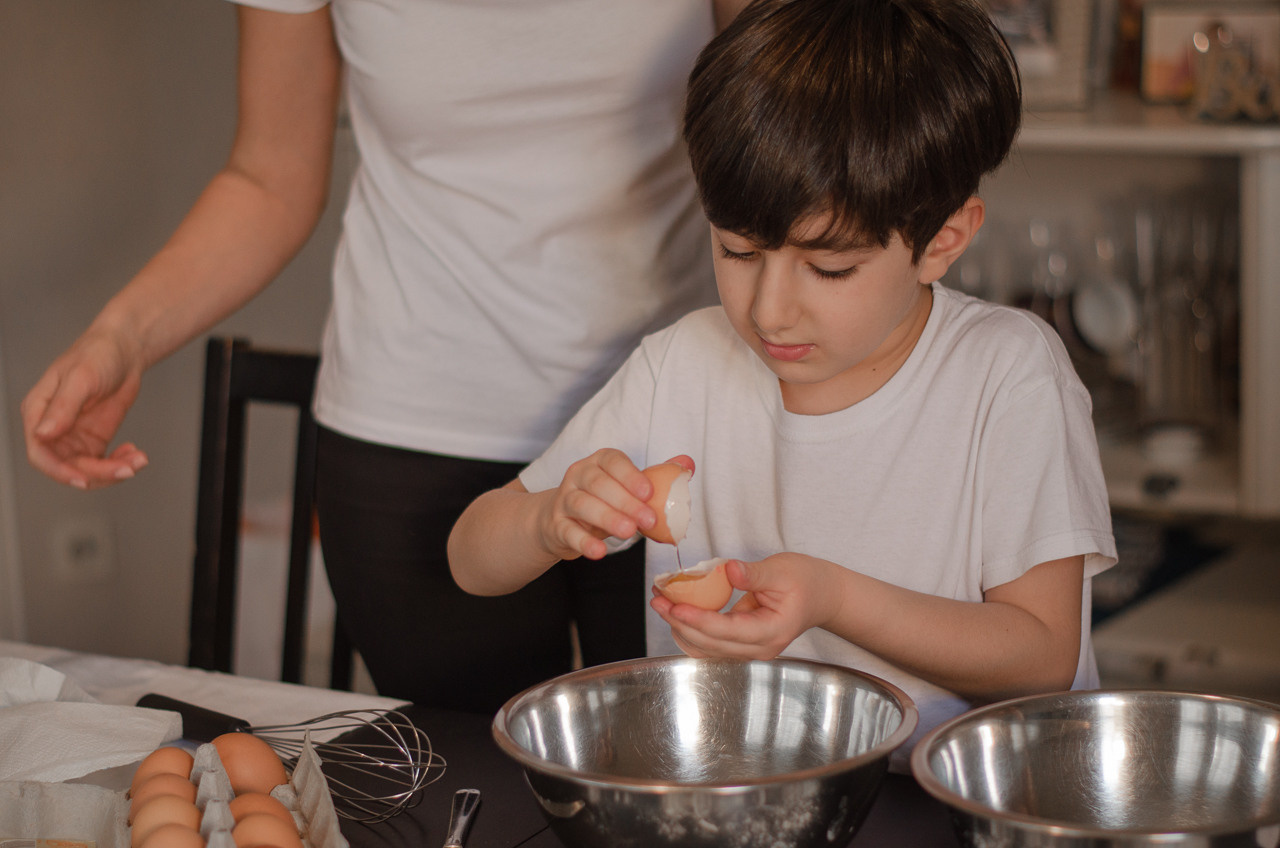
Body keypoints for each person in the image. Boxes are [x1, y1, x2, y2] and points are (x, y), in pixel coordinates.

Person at [21, 1, 748, 712]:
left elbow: (793, 113)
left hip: (672, 423)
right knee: (470, 797)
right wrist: (123, 336)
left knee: (691, 778)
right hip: (412, 441)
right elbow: (270, 176)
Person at [448, 0, 1118, 761]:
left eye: (830, 268)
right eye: (737, 251)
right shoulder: (683, 366)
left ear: (941, 242)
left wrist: (832, 600)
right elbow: (470, 558)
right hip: (744, 800)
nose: (769, 311)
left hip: (949, 809)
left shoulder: (1007, 374)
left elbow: (1041, 656)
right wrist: (548, 522)